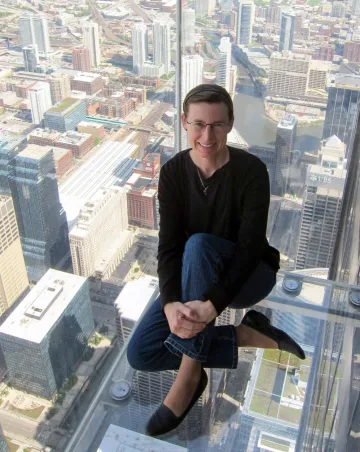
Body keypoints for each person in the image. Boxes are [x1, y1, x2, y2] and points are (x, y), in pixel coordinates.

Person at [127, 84, 305, 437]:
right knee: (141, 354)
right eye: (198, 124)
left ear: (230, 124)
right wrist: (170, 306)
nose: (207, 135)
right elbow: (168, 247)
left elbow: (251, 247)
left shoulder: (251, 170)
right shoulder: (173, 173)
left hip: (250, 275)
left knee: (198, 246)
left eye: (217, 125)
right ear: (184, 123)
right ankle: (244, 334)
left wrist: (210, 308)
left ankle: (189, 375)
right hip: (196, 275)